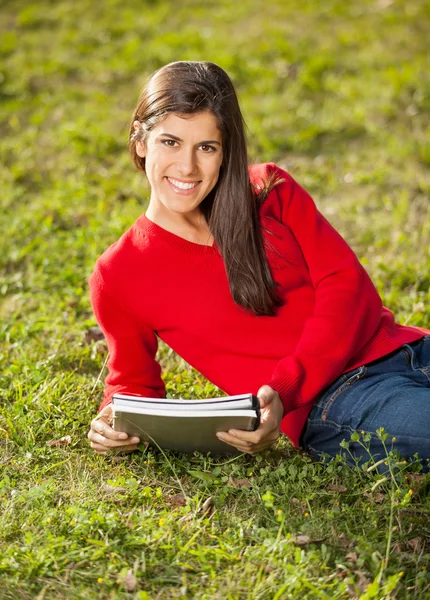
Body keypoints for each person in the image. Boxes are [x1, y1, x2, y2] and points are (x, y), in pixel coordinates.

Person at [87, 60, 430, 469]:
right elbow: (134, 382)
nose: (187, 167)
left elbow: (346, 285)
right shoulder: (119, 273)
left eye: (206, 147)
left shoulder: (269, 190)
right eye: (170, 142)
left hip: (406, 347)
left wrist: (289, 381)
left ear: (225, 151)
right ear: (141, 142)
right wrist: (113, 419)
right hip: (334, 402)